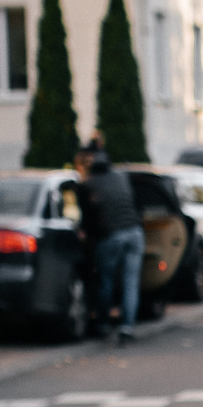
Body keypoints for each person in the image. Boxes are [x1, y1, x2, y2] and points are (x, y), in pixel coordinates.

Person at [78, 139, 144, 346]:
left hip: (111, 236)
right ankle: (127, 327)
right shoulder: (121, 178)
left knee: (105, 281)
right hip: (135, 232)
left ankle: (104, 324)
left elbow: (87, 217)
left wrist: (86, 233)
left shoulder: (87, 185)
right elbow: (135, 204)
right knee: (130, 282)